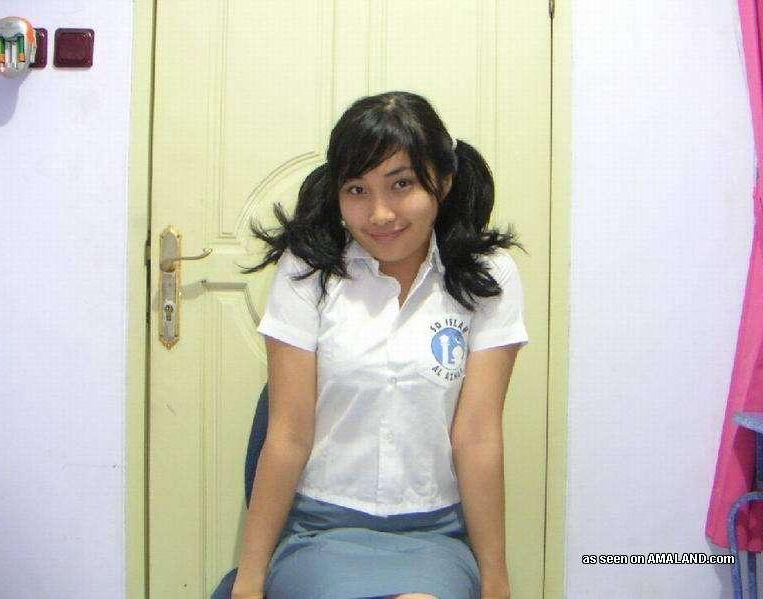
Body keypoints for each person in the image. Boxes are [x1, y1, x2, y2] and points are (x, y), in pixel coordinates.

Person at [214, 91, 529, 599]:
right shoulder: (308, 270)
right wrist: (250, 580)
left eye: (401, 184)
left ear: (443, 181)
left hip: (435, 536)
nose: (380, 213)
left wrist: (495, 580)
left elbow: (477, 437)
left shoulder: (487, 276)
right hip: (322, 530)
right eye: (357, 189)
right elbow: (288, 433)